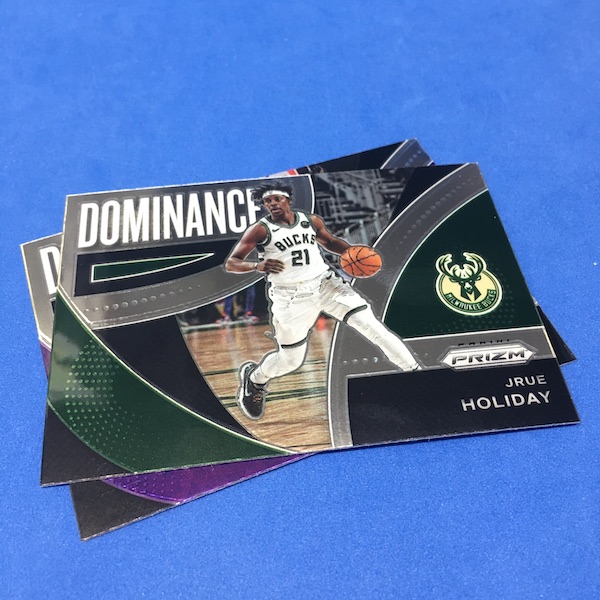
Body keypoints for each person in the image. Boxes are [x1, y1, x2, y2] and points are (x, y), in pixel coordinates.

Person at [225, 181, 420, 420]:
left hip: (326, 284)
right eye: (267, 201)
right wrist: (256, 266)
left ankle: (418, 377)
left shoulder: (310, 221)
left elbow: (329, 242)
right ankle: (255, 379)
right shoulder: (260, 230)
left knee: (373, 327)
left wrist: (350, 252)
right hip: (290, 296)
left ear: (288, 199)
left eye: (276, 199)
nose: (272, 204)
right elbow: (232, 263)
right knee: (291, 361)